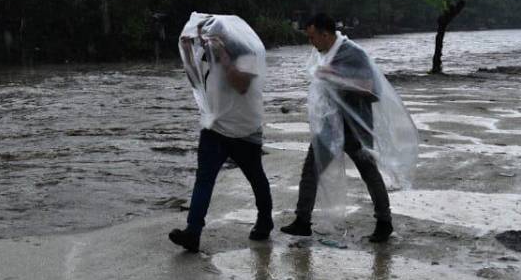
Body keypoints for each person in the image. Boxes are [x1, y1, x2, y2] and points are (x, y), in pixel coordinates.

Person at [281, 13, 397, 242]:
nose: (310, 42)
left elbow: (373, 90)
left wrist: (335, 77)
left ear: (325, 34)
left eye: (313, 37)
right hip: (329, 122)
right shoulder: (325, 53)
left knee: (368, 172)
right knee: (311, 170)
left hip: (354, 125)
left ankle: (384, 222)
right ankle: (302, 221)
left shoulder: (353, 53)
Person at [169, 13, 272, 253]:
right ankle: (193, 231)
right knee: (204, 179)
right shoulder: (209, 54)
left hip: (244, 129)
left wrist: (223, 57)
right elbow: (196, 83)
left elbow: (242, 85)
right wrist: (187, 52)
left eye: (211, 36)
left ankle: (265, 220)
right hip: (215, 126)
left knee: (255, 176)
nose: (206, 40)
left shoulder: (247, 52)